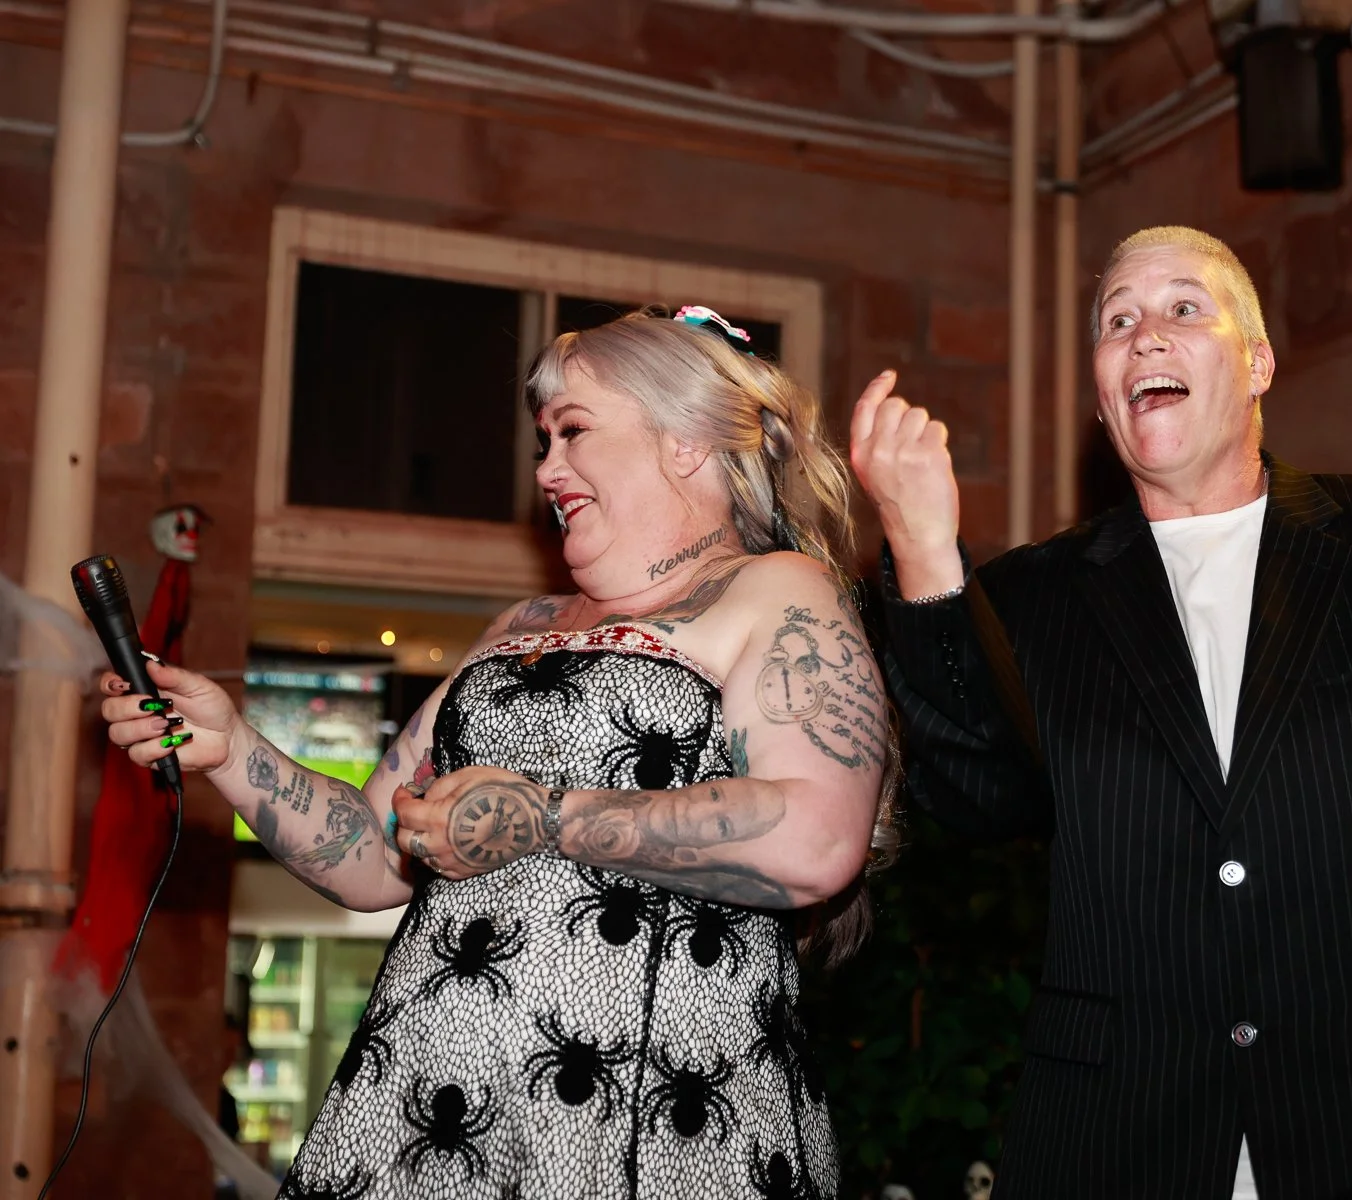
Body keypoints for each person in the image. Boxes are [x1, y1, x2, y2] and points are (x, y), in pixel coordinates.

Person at [102, 307, 897, 1199]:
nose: (546, 470)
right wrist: (230, 749)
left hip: (647, 1124)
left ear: (684, 440)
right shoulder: (519, 627)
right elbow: (371, 857)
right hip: (426, 1106)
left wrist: (540, 818)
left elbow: (818, 839)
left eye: (574, 432)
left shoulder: (774, 591)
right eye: (542, 441)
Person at [849, 226, 1352, 1199]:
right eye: (1117, 322)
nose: (1145, 334)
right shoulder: (1033, 597)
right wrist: (923, 550)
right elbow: (981, 801)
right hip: (1120, 1141)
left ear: (1259, 363)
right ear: (1102, 396)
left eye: (1184, 308)